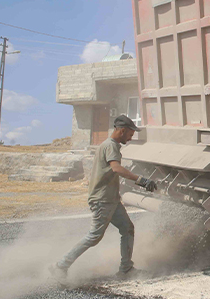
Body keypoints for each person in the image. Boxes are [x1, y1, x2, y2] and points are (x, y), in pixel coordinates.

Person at [50, 115, 157, 283]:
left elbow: (111, 170)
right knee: (95, 236)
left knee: (127, 228)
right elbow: (116, 168)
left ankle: (126, 268)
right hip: (102, 200)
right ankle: (61, 266)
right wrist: (140, 180)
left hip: (111, 199)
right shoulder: (111, 146)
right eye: (130, 133)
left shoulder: (110, 146)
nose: (131, 137)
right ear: (122, 131)